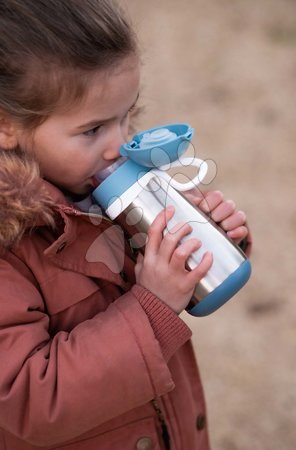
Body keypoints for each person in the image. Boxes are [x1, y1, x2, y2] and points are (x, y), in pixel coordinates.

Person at [0, 1, 251, 449]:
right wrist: (151, 306)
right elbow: (28, 399)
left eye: (126, 115)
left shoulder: (89, 184)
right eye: (93, 129)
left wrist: (199, 244)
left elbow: (143, 281)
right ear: (6, 126)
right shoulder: (9, 245)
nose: (121, 145)